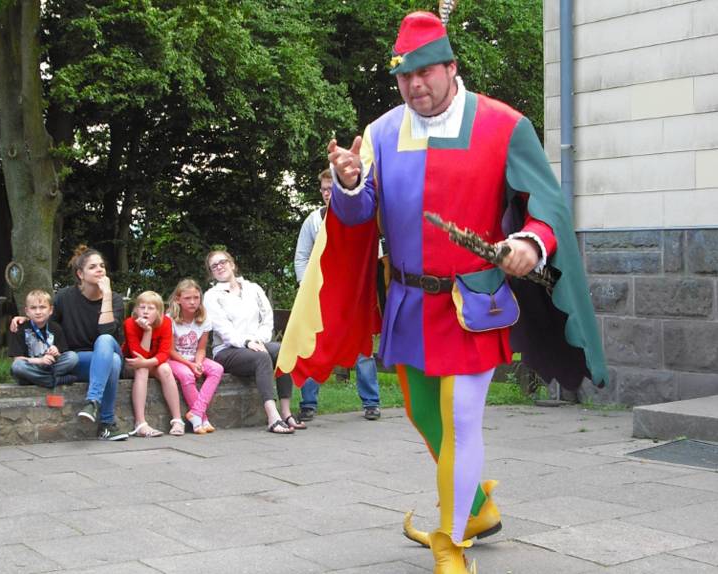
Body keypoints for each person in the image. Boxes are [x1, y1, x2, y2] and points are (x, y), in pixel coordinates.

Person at [278, 11, 607, 573]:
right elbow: (359, 217)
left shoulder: (505, 125)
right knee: (421, 412)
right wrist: (352, 184)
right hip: (408, 304)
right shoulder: (381, 133)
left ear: (452, 67)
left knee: (461, 416)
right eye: (405, 77)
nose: (416, 86)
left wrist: (531, 242)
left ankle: (451, 545)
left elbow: (546, 207)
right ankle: (477, 507)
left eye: (427, 72)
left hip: (474, 303)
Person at [11, 245, 129, 441]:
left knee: (108, 345)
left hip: (106, 352)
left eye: (102, 266)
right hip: (78, 360)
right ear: (80, 274)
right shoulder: (65, 297)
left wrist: (106, 295)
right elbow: (45, 319)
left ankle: (92, 401)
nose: (100, 270)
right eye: (93, 267)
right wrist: (24, 319)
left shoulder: (114, 299)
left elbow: (107, 331)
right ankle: (107, 425)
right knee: (113, 363)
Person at [294, 169, 381, 422]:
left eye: (332, 188)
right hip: (321, 296)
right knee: (314, 345)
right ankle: (308, 404)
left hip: (355, 296)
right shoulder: (314, 220)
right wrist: (304, 289)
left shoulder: (362, 217)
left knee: (362, 348)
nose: (327, 194)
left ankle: (371, 403)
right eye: (323, 189)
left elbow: (374, 255)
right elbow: (302, 257)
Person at [204, 249, 305, 435]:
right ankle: (272, 416)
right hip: (227, 350)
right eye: (214, 266)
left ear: (232, 264)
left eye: (223, 262)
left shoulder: (254, 289)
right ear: (211, 273)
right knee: (262, 358)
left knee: (283, 351)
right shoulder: (211, 296)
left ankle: (286, 412)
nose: (219, 267)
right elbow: (223, 329)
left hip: (256, 343)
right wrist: (247, 342)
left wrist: (258, 339)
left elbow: (267, 318)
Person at [123, 291, 185, 437]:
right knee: (142, 369)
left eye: (151, 308)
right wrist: (147, 332)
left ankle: (177, 420)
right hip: (131, 364)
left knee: (165, 369)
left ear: (159, 312)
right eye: (142, 307)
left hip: (151, 362)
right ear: (136, 310)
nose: (145, 311)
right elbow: (138, 356)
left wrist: (146, 362)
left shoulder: (166, 323)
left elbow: (164, 353)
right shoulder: (130, 324)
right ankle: (140, 423)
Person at [167, 279, 223, 434]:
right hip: (175, 359)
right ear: (178, 299)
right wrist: (190, 366)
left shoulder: (204, 319)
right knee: (187, 375)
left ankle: (196, 412)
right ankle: (202, 419)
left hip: (194, 357)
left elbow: (201, 348)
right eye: (187, 298)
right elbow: (170, 351)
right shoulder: (169, 319)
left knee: (217, 369)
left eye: (196, 298)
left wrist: (198, 363)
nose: (192, 302)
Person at [8, 289, 79, 388]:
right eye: (33, 308)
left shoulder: (56, 328)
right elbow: (18, 359)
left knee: (72, 357)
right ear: (27, 311)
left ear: (50, 310)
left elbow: (61, 354)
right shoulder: (19, 328)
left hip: (50, 367)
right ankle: (53, 380)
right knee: (17, 366)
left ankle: (37, 379)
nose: (38, 312)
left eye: (42, 307)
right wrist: (40, 360)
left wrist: (56, 352)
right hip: (30, 366)